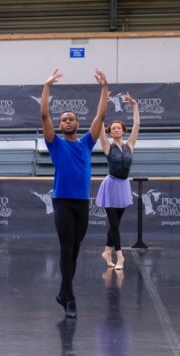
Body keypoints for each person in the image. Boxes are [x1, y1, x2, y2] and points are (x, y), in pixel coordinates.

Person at [41, 68, 109, 318]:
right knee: (66, 247)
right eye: (63, 119)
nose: (67, 121)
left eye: (71, 118)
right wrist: (47, 86)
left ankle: (63, 293)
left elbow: (101, 116)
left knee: (75, 249)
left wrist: (105, 88)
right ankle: (70, 298)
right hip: (62, 202)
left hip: (82, 203)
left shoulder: (86, 144)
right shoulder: (54, 143)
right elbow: (44, 114)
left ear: (77, 124)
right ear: (60, 125)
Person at [96, 92, 140, 271]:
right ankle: (120, 255)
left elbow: (137, 124)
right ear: (109, 132)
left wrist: (134, 105)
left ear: (123, 130)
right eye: (112, 128)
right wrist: (103, 104)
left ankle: (107, 251)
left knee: (116, 224)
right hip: (111, 185)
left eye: (118, 128)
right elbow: (99, 122)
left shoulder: (130, 145)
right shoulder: (107, 146)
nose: (115, 130)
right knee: (114, 223)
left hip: (124, 186)